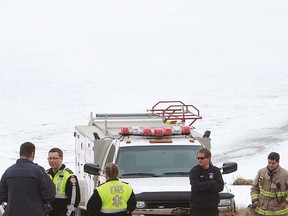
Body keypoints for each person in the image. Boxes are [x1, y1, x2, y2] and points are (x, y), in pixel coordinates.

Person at [0, 142, 56, 216]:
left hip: (12, 212)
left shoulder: (8, 171)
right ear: (32, 154)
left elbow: (2, 195)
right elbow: (49, 194)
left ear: (20, 153)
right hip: (34, 212)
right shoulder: (38, 171)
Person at [189, 147, 224, 216]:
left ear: (208, 158)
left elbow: (220, 187)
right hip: (197, 209)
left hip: (212, 209)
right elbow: (196, 187)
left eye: (202, 158)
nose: (199, 160)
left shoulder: (216, 171)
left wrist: (203, 185)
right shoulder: (194, 171)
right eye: (198, 158)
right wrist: (211, 183)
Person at [46, 148, 80, 216]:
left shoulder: (69, 176)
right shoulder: (45, 174)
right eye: (49, 158)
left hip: (63, 213)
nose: (51, 161)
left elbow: (74, 200)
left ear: (61, 159)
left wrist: (68, 214)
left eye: (55, 158)